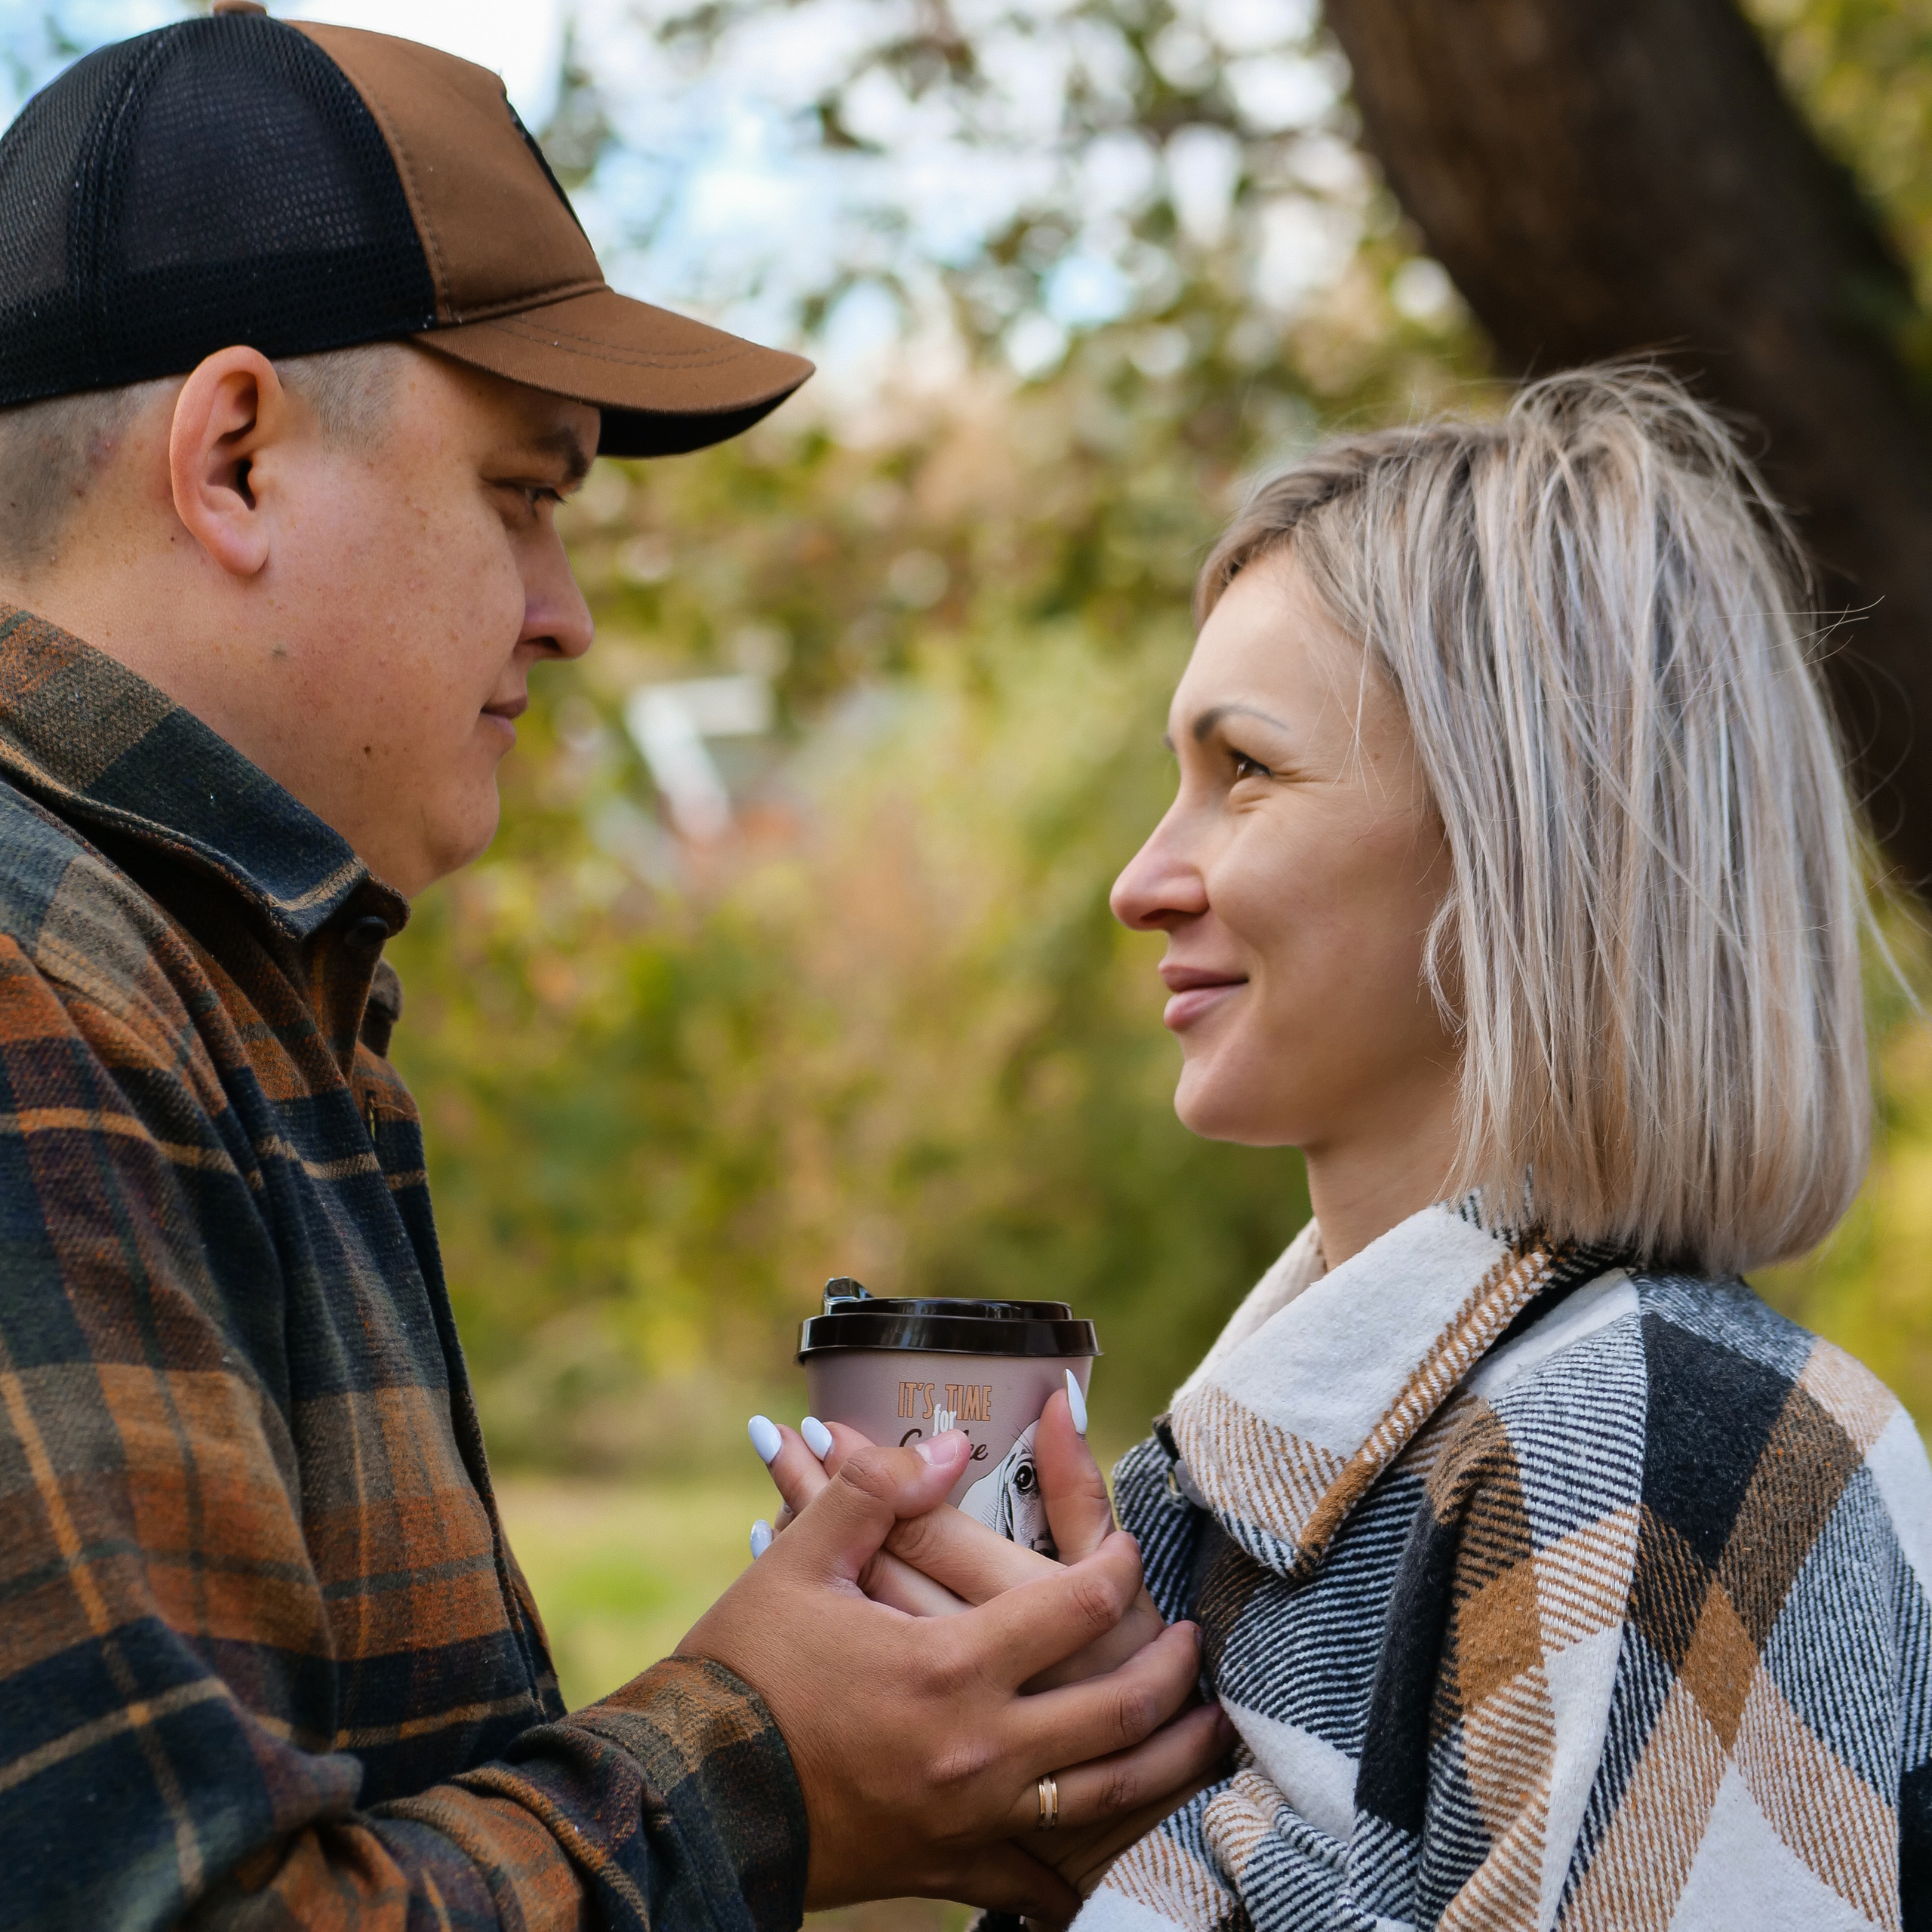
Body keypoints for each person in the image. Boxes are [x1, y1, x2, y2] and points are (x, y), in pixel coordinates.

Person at [0, 11, 1231, 1929]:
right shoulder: (37, 988)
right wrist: (766, 1762)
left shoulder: (219, 982)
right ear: (231, 456)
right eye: (526, 491)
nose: (563, 615)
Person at [762, 368, 1932, 1929]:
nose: (1137, 879)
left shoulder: (1678, 1450)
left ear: (1522, 826)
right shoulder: (1249, 1485)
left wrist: (1136, 1827)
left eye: (1240, 770)